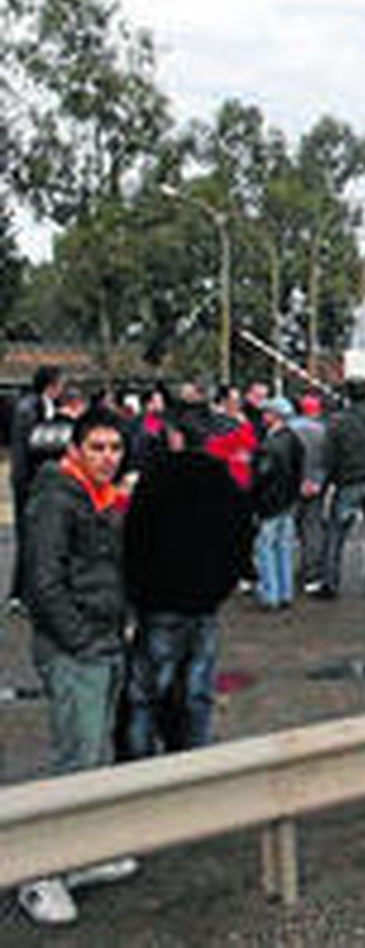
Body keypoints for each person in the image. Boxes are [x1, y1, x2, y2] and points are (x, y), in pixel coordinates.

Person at [16, 409, 139, 926]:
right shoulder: (56, 497)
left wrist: (121, 623)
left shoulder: (102, 498)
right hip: (76, 648)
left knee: (96, 755)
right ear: (75, 449)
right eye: (97, 448)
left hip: (105, 641)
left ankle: (83, 855)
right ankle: (39, 875)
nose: (108, 458)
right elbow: (41, 583)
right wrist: (83, 639)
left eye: (115, 448)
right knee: (75, 759)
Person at [123, 406, 254, 756]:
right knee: (197, 690)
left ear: (176, 437)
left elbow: (135, 540)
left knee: (146, 694)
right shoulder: (223, 481)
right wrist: (221, 586)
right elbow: (241, 539)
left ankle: (139, 762)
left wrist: (137, 593)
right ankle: (194, 759)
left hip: (159, 602)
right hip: (204, 604)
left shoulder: (155, 479)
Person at [313, 381, 365, 599]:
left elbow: (328, 455)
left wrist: (327, 482)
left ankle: (330, 582)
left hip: (348, 483)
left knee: (336, 534)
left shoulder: (338, 422)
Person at [7, 365, 65, 612]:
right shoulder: (29, 409)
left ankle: (23, 593)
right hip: (29, 483)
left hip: (34, 481)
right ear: (51, 385)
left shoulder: (40, 405)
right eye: (60, 383)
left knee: (36, 539)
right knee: (30, 538)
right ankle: (21, 595)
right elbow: (29, 449)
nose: (63, 388)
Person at [250, 398, 305, 610]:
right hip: (288, 501)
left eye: (267, 413)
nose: (263, 416)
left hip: (270, 503)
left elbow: (262, 478)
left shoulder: (269, 445)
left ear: (275, 416)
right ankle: (285, 592)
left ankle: (270, 594)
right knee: (284, 548)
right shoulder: (293, 440)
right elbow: (298, 470)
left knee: (265, 548)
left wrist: (254, 501)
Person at [289, 394, 329, 590]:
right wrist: (317, 481)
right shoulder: (324, 431)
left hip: (292, 485)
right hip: (315, 485)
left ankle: (284, 573)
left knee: (288, 529)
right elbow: (328, 460)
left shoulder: (291, 429)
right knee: (312, 528)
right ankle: (311, 573)